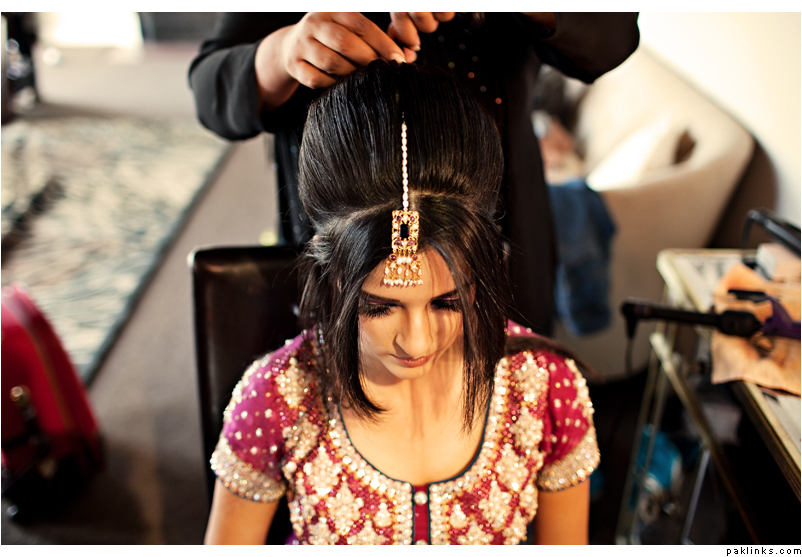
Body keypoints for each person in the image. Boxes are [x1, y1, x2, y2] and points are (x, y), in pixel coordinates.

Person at [203, 60, 599, 545]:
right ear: (333, 276)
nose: (417, 342)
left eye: (448, 302)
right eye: (380, 307)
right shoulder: (279, 398)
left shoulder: (544, 390)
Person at [189, 12, 640, 336]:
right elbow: (212, 90)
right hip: (342, 238)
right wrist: (284, 52)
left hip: (502, 221)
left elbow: (612, 36)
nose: (416, 341)